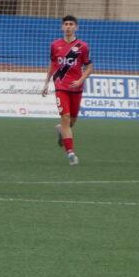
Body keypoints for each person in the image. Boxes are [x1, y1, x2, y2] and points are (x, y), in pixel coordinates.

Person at [40, 15, 91, 166]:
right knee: (66, 118)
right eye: (66, 24)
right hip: (60, 86)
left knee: (72, 121)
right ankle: (71, 154)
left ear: (76, 27)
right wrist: (46, 83)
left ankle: (60, 130)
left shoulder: (83, 46)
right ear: (62, 27)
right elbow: (53, 64)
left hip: (76, 88)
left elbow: (89, 67)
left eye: (71, 24)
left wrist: (81, 80)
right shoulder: (55, 45)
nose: (68, 26)